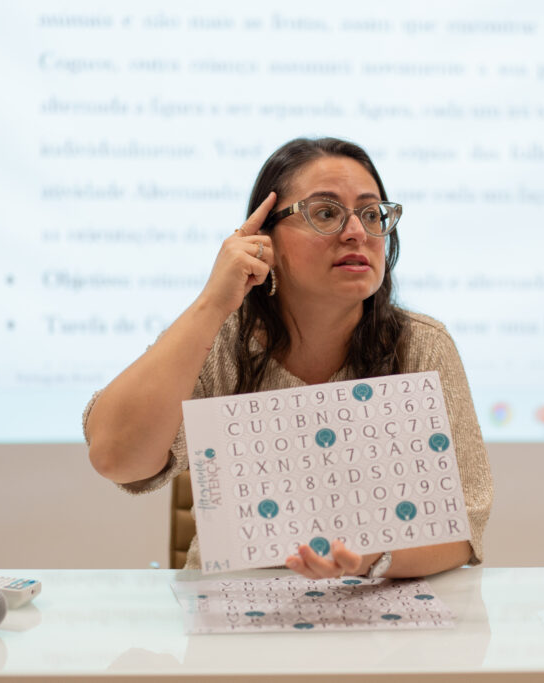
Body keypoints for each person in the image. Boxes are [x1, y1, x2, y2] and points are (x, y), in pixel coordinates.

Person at [84, 137, 492, 579]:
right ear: (264, 239)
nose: (357, 232)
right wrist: (212, 303)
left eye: (372, 214)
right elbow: (117, 459)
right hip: (230, 610)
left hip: (374, 608)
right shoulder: (219, 340)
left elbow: (465, 529)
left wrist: (372, 559)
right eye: (326, 213)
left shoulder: (422, 344)